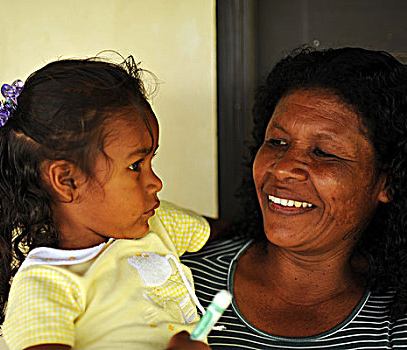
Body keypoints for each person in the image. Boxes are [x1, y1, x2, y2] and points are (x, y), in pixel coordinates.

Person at [174, 47, 407, 349]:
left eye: (324, 152)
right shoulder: (176, 279)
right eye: (277, 142)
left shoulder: (395, 324)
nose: (282, 168)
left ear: (387, 183)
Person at [0, 55, 215, 350]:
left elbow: (228, 233)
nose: (156, 183)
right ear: (68, 181)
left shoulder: (159, 222)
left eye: (151, 161)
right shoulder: (45, 286)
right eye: (135, 166)